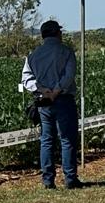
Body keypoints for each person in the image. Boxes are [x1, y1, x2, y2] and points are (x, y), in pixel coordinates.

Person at [22, 20, 81, 189]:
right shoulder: (66, 52)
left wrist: (42, 90)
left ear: (43, 35)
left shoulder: (33, 55)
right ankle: (70, 179)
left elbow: (26, 79)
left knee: (46, 140)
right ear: (57, 33)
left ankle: (48, 181)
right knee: (67, 139)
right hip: (63, 99)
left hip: (44, 102)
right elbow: (69, 75)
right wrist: (56, 90)